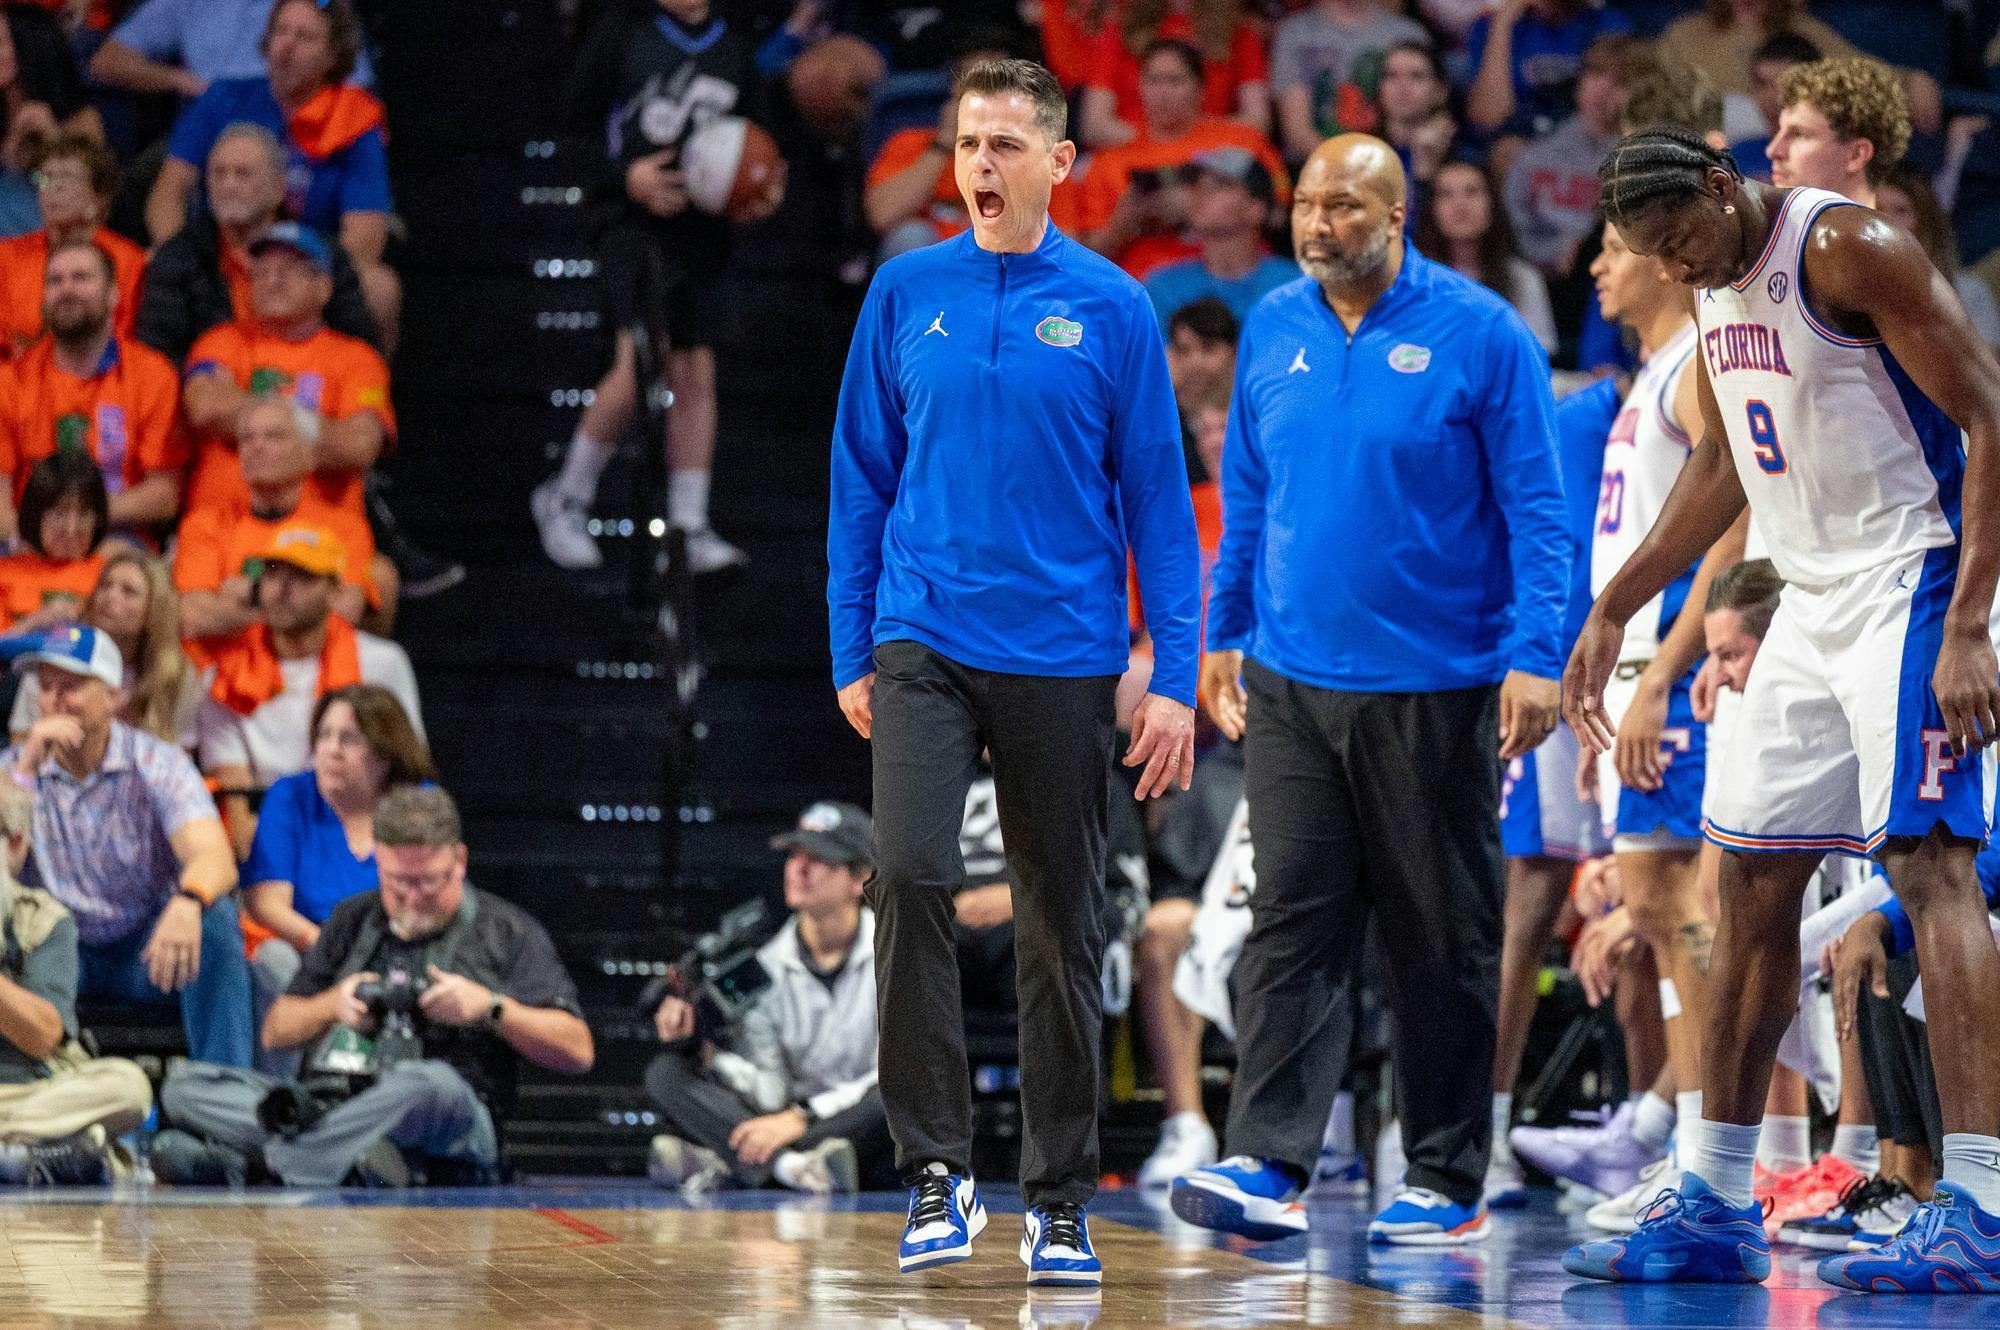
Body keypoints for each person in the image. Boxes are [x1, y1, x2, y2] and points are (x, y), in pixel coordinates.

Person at [1564, 127, 2000, 1291]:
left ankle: (1980, 1201)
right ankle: (1711, 1187)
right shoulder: (1708, 277)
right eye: (1652, 256)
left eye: (1679, 240)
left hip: (1910, 576)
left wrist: (1967, 625)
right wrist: (1616, 605)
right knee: (1741, 872)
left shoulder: (1847, 248)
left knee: (1930, 870)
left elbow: (1991, 416)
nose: (1677, 268)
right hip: (1806, 597)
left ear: (1721, 185)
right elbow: (1718, 468)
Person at [828, 57, 1200, 1285]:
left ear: (1058, 165)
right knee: (910, 873)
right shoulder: (901, 291)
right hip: (920, 636)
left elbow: (1156, 496)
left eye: (1003, 145)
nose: (979, 166)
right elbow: (860, 482)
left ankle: (1055, 1194)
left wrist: (1178, 674)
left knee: (1057, 926)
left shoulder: (1111, 305)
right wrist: (849, 644)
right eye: (966, 143)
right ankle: (936, 1172)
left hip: (1065, 650)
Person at [1171, 133, 1568, 1246]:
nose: (1316, 226)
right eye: (1304, 205)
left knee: (1436, 938)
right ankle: (1266, 1159)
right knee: (1288, 923)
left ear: (1395, 218)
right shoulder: (1273, 327)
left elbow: (1538, 511)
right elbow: (1245, 488)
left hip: (1436, 681)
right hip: (1290, 679)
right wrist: (1221, 632)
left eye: (1342, 208)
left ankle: (1442, 1171)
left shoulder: (1480, 332)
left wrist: (1536, 655)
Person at [155, 785, 593, 1187]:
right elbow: (276, 1031)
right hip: (337, 1102)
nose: (411, 897)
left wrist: (492, 1008)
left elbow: (578, 1050)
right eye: (396, 882)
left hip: (445, 1116)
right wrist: (332, 1006)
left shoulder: (506, 930)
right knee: (186, 1086)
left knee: (429, 1084)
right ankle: (347, 1161)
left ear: (459, 861)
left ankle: (278, 1163)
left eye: (426, 881)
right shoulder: (354, 918)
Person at [1576, 210, 1721, 1223]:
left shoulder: (1696, 362)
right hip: (1631, 672)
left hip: (1664, 671)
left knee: (1685, 919)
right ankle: (1692, 1154)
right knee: (1661, 921)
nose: (1594, 265)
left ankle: (1712, 1159)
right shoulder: (1649, 370)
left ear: (1665, 266)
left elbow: (1739, 516)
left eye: (1613, 249)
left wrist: (1666, 668)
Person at [531, 0, 785, 577]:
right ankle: (566, 495)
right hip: (632, 225)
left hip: (703, 231)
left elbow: (760, 139)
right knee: (643, 355)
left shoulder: (733, 42)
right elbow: (573, 133)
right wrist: (626, 177)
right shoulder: (621, 32)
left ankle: (689, 523)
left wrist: (761, 187)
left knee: (698, 371)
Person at [3, 626, 251, 1068]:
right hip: (55, 952)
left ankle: (222, 1098)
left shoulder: (156, 761)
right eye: (46, 686)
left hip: (148, 950)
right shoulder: (14, 772)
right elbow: (4, 868)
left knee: (214, 919)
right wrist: (27, 766)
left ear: (112, 697)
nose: (55, 700)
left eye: (73, 686)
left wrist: (189, 901)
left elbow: (214, 856)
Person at [644, 801, 891, 1196]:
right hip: (786, 1121)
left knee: (898, 1097)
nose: (799, 869)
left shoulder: (898, 952)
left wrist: (802, 1118)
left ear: (860, 877)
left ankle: (727, 1162)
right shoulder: (765, 965)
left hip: (856, 1124)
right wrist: (709, 1055)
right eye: (794, 856)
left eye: (820, 858)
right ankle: (794, 1168)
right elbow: (771, 1089)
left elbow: (896, 1071)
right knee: (666, 1073)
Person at [146, 0, 397, 344]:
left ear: (332, 56)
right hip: (219, 260)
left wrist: (299, 279)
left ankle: (362, 390)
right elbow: (166, 195)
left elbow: (366, 237)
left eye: (305, 37)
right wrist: (180, 257)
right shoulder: (224, 97)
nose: (287, 45)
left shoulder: (354, 118)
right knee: (150, 265)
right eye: (280, 32)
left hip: (311, 267)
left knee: (379, 287)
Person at [191, 523, 421, 860]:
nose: (282, 588)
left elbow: (408, 772)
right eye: (272, 573)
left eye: (302, 576)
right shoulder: (224, 675)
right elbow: (236, 804)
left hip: (365, 834)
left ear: (335, 590)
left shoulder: (382, 664)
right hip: (267, 838)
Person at [239, 684, 433, 1052]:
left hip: (395, 951)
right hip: (307, 952)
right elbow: (266, 903)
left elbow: (435, 898)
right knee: (274, 961)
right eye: (324, 736)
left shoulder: (417, 805)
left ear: (385, 753)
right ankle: (287, 1092)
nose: (330, 749)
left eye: (349, 739)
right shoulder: (290, 797)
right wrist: (329, 949)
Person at [179, 222, 392, 522]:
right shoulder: (221, 342)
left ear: (324, 287)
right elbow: (205, 408)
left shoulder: (357, 358)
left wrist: (252, 417)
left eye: (290, 270)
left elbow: (358, 447)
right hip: (220, 533)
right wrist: (311, 427)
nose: (272, 281)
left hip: (320, 539)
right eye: (262, 272)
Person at [0, 783, 154, 1186]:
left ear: (15, 842)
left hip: (29, 1094)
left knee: (128, 1086)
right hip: (36, 1118)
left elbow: (43, 1036)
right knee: (91, 1135)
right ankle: (28, 1155)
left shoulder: (44, 919)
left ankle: (21, 1153)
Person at [136, 122, 378, 367]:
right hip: (212, 390)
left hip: (312, 392)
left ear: (279, 187)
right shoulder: (178, 257)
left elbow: (359, 346)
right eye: (219, 174)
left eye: (243, 174)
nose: (228, 185)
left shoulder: (322, 252)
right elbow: (157, 358)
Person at [0, 239, 186, 545]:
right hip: (29, 539)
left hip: (116, 535)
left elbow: (165, 495)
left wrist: (78, 520)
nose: (66, 289)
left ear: (113, 294)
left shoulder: (152, 375)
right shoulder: (11, 380)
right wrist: (30, 537)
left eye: (81, 278)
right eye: (55, 281)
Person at [173, 394, 386, 639]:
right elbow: (192, 615)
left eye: (275, 436)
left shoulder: (344, 528)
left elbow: (346, 611)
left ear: (308, 454)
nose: (257, 446)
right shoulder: (204, 524)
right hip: (224, 672)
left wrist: (253, 593)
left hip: (313, 669)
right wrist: (298, 608)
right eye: (247, 438)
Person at [1074, 39, 1288, 281]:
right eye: (1154, 81)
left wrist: (1199, 207)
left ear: (1201, 88)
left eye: (1175, 81)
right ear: (1140, 88)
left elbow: (1278, 212)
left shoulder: (1243, 142)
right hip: (1144, 285)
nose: (1162, 93)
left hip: (1237, 277)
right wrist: (1126, 224)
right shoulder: (1109, 161)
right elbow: (1086, 259)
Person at [1656, 0, 1940, 136]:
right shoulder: (1683, 36)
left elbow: (1863, 73)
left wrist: (1912, 80)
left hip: (1797, 154)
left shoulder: (1802, 29)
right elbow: (1659, 107)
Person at [10, 545, 201, 748]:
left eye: (129, 591)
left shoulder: (175, 674)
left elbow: (181, 758)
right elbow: (20, 742)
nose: (110, 596)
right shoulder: (55, 657)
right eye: (105, 585)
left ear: (155, 608)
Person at [863, 27, 1017, 259]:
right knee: (911, 236)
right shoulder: (911, 143)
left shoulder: (1037, 157)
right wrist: (944, 143)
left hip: (1002, 281)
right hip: (932, 280)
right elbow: (882, 215)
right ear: (955, 91)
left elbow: (1059, 248)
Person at [1505, 35, 1637, 288]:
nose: (1603, 90)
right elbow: (1514, 225)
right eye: (1596, 75)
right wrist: (1555, 253)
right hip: (1542, 277)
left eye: (1620, 82)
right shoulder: (1538, 151)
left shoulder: (1641, 159)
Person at [0, 133, 143, 357]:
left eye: (67, 178)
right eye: (44, 178)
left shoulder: (126, 260)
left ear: (99, 196)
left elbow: (119, 341)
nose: (52, 188)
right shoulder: (6, 255)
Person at [1462, 0, 1635, 176]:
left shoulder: (1609, 23)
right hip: (1523, 139)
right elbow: (1488, 118)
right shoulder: (1492, 26)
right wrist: (1504, 21)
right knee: (1507, 152)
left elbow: (1616, 105)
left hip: (1587, 136)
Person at [1077, 0, 1272, 148]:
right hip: (1132, 154)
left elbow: (1257, 121)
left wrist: (1193, 140)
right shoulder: (1119, 30)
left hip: (1210, 158)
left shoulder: (1239, 33)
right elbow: (1095, 126)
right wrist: (1163, 141)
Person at [1141, 147, 1297, 330]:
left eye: (1220, 184)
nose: (1200, 193)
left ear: (1256, 208)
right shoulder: (1163, 288)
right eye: (1196, 184)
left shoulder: (1292, 287)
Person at [90, 0, 373, 99]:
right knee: (138, 186)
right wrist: (179, 80)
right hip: (210, 116)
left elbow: (355, 83)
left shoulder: (317, 4)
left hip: (298, 119)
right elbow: (107, 60)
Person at [1416, 159, 1557, 356]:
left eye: (1472, 192)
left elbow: (1539, 350)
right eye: (1446, 195)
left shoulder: (1522, 277)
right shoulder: (1415, 280)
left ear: (1492, 203)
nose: (1460, 205)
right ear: (1431, 210)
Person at [1268, 0, 1428, 162]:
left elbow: (1423, 121)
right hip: (1314, 168)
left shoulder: (1408, 33)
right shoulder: (1295, 32)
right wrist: (1351, 170)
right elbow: (1298, 132)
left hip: (1395, 164)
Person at [1877, 164, 2000, 351]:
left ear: (1925, 220)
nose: (1887, 220)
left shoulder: (1969, 291)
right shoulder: (1854, 290)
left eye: (1901, 211)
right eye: (1878, 208)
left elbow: (1990, 364)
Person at [1766, 56, 1907, 210]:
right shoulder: (1760, 232)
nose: (1773, 151)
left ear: (1856, 155)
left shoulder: (1890, 234)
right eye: (1780, 130)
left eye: (1800, 134)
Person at [0, 450, 105, 634]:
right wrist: (32, 624)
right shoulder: (4, 575)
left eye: (84, 514)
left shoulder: (110, 577)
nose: (71, 529)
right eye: (59, 513)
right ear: (35, 514)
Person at [1374, 40, 1459, 227]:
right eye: (1391, 76)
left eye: (1417, 76)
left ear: (1440, 91)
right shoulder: (1360, 154)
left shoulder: (1462, 158)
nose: (1402, 87)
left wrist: (1425, 169)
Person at [1729, 32, 1822, 180]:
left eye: (1783, 85)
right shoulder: (1736, 157)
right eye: (1762, 84)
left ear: (1815, 88)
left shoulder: (1834, 157)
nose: (1771, 97)